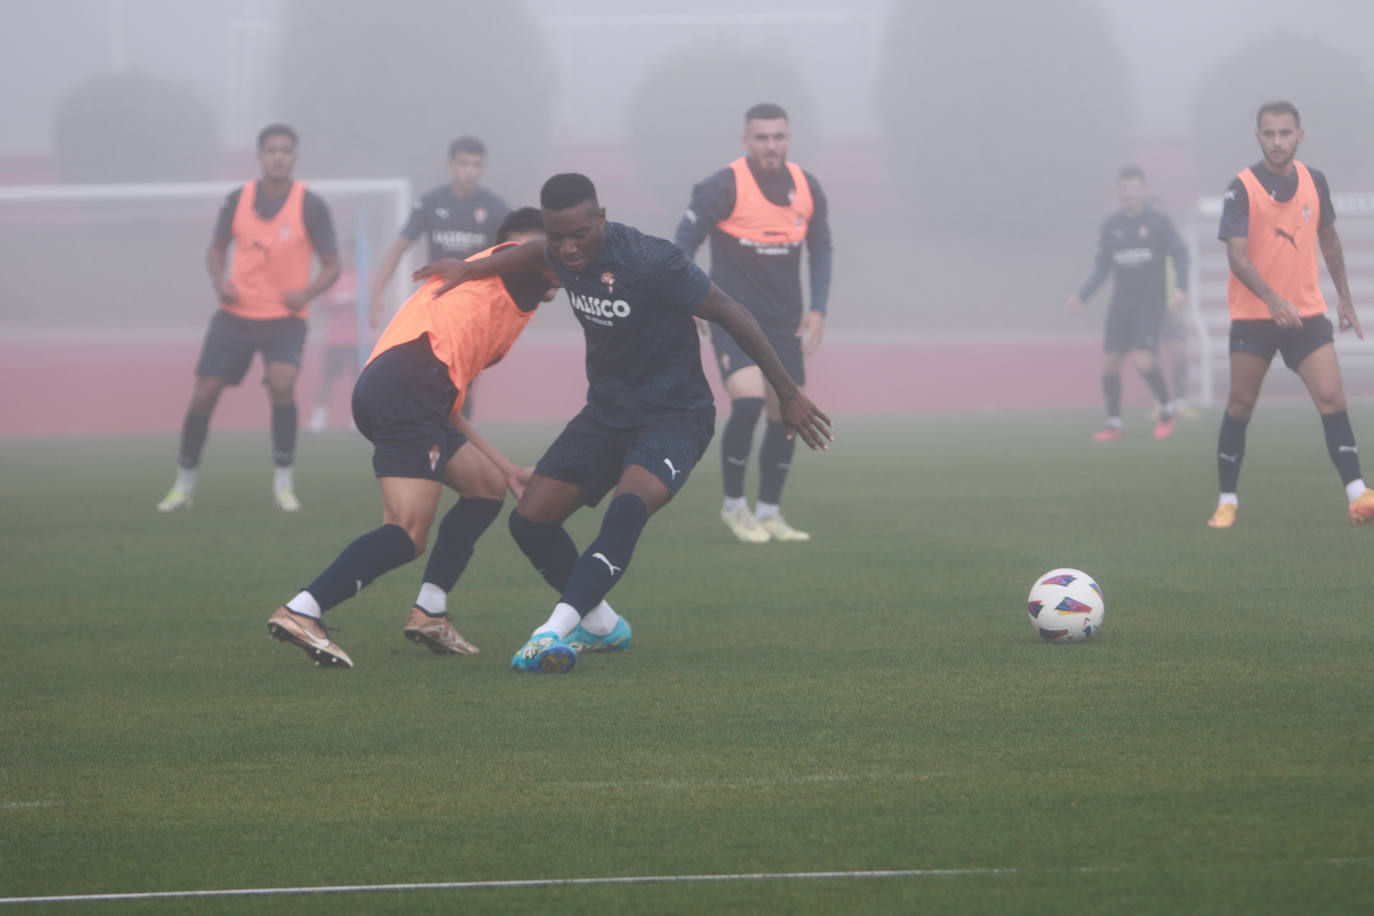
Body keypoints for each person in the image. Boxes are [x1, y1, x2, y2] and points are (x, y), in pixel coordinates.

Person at [418, 174, 832, 674]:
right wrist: (468, 268)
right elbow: (526, 256)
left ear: (601, 218)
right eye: (557, 237)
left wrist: (788, 392)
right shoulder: (552, 251)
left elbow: (730, 310)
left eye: (578, 235)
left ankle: (552, 630)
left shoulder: (652, 260)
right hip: (606, 413)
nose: (567, 250)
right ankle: (601, 624)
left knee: (627, 509)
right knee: (529, 520)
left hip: (674, 415)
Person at [266, 208, 558, 668]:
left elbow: (445, 406)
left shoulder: (492, 307)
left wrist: (507, 468)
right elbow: (538, 253)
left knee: (484, 487)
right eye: (535, 248)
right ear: (508, 248)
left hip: (404, 389)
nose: (544, 259)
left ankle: (430, 611)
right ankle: (304, 609)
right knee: (406, 533)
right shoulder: (506, 267)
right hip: (406, 387)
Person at [1206, 100, 1373, 528]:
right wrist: (1272, 299)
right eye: (1269, 134)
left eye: (1285, 133)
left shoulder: (1314, 181)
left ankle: (1358, 495)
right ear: (1258, 137)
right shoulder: (1241, 187)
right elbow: (1237, 257)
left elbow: (1330, 241)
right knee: (1241, 405)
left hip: (1306, 317)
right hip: (1254, 318)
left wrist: (1346, 299)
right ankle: (1227, 499)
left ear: (1300, 135)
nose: (1277, 142)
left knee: (1333, 397)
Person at [157, 124, 339, 512]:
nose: (278, 156)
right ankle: (182, 485)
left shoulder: (310, 204)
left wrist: (305, 294)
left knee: (283, 383)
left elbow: (332, 266)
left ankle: (284, 485)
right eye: (271, 150)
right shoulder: (237, 199)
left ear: (294, 157)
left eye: (285, 151)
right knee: (204, 392)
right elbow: (216, 248)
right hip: (236, 314)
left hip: (285, 318)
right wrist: (219, 280)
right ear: (259, 155)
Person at [675, 102, 832, 544]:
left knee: (788, 413)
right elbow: (682, 245)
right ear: (746, 140)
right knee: (746, 402)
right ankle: (733, 507)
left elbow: (822, 250)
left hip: (784, 325)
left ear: (788, 138)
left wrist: (817, 308)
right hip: (733, 318)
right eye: (761, 137)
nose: (770, 145)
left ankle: (769, 511)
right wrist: (691, 298)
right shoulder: (722, 186)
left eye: (778, 136)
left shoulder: (807, 187)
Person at [368, 136, 509, 419]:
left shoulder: (496, 209)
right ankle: (434, 444)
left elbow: (513, 256)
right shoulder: (430, 203)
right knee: (429, 376)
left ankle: (454, 449)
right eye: (463, 163)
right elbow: (398, 248)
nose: (469, 170)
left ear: (482, 168)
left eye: (476, 164)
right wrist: (376, 294)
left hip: (476, 310)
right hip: (438, 306)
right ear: (450, 165)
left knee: (464, 384)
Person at [1068, 165, 1189, 442]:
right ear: (1118, 192)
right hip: (1121, 304)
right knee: (1110, 364)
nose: (1129, 194)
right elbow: (1101, 268)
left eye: (1134, 188)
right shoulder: (1111, 226)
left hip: (1150, 303)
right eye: (1124, 189)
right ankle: (1113, 423)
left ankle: (1167, 409)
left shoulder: (1159, 222)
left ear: (1143, 190)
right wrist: (1082, 296)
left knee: (1142, 359)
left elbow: (1181, 255)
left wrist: (1180, 288)